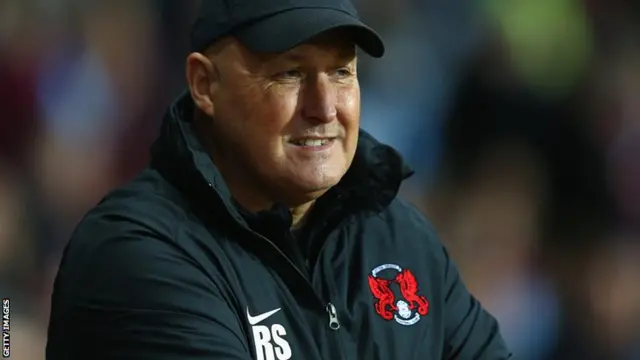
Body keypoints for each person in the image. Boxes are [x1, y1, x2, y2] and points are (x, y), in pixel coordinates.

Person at [45, 0, 513, 359]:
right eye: (291, 73)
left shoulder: (399, 237)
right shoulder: (136, 252)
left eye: (341, 71)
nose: (325, 107)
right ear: (205, 84)